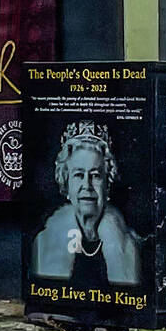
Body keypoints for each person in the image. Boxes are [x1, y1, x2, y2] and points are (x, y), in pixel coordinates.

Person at [31, 121, 143, 287]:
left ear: (107, 183)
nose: (87, 186)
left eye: (96, 175)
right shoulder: (43, 243)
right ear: (66, 182)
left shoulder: (129, 247)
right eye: (78, 175)